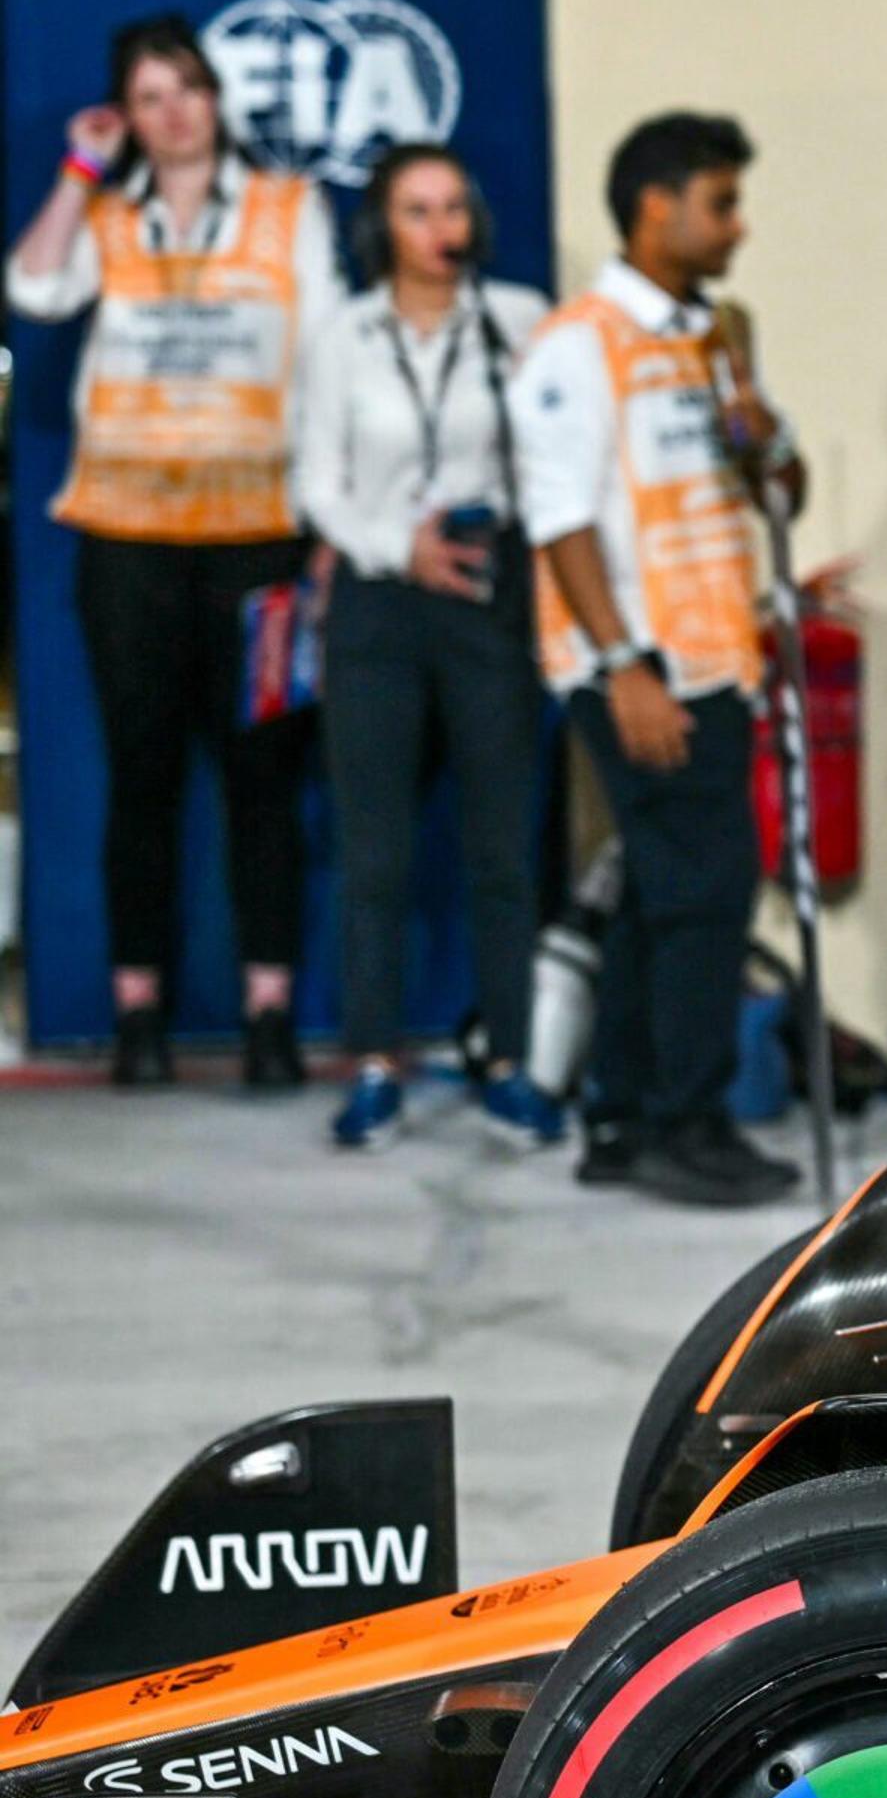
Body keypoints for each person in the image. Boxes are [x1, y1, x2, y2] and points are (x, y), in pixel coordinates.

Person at [7, 12, 341, 1087]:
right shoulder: (107, 218)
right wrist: (77, 167)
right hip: (129, 544)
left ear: (215, 97)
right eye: (148, 97)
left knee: (261, 783)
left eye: (187, 88)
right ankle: (138, 1014)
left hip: (259, 545)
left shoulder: (290, 211)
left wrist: (326, 527)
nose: (173, 112)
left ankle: (269, 1017)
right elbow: (31, 288)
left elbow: (328, 362)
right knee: (142, 779)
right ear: (128, 117)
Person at [515, 112, 799, 1208]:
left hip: (717, 654)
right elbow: (560, 521)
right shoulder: (577, 344)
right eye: (720, 202)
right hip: (640, 665)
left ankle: (620, 1113)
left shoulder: (713, 337)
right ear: (656, 206)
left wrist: (759, 426)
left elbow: (776, 493)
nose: (738, 226)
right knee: (704, 885)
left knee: (660, 888)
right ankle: (692, 1119)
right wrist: (624, 664)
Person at [289, 143, 560, 1149]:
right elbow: (316, 480)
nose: (441, 227)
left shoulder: (519, 319)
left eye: (455, 206)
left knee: (501, 842)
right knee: (376, 850)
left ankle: (511, 1062)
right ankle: (372, 1062)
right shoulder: (345, 336)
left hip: (488, 591)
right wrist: (397, 548)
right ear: (382, 228)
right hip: (378, 598)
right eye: (418, 209)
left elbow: (557, 452)